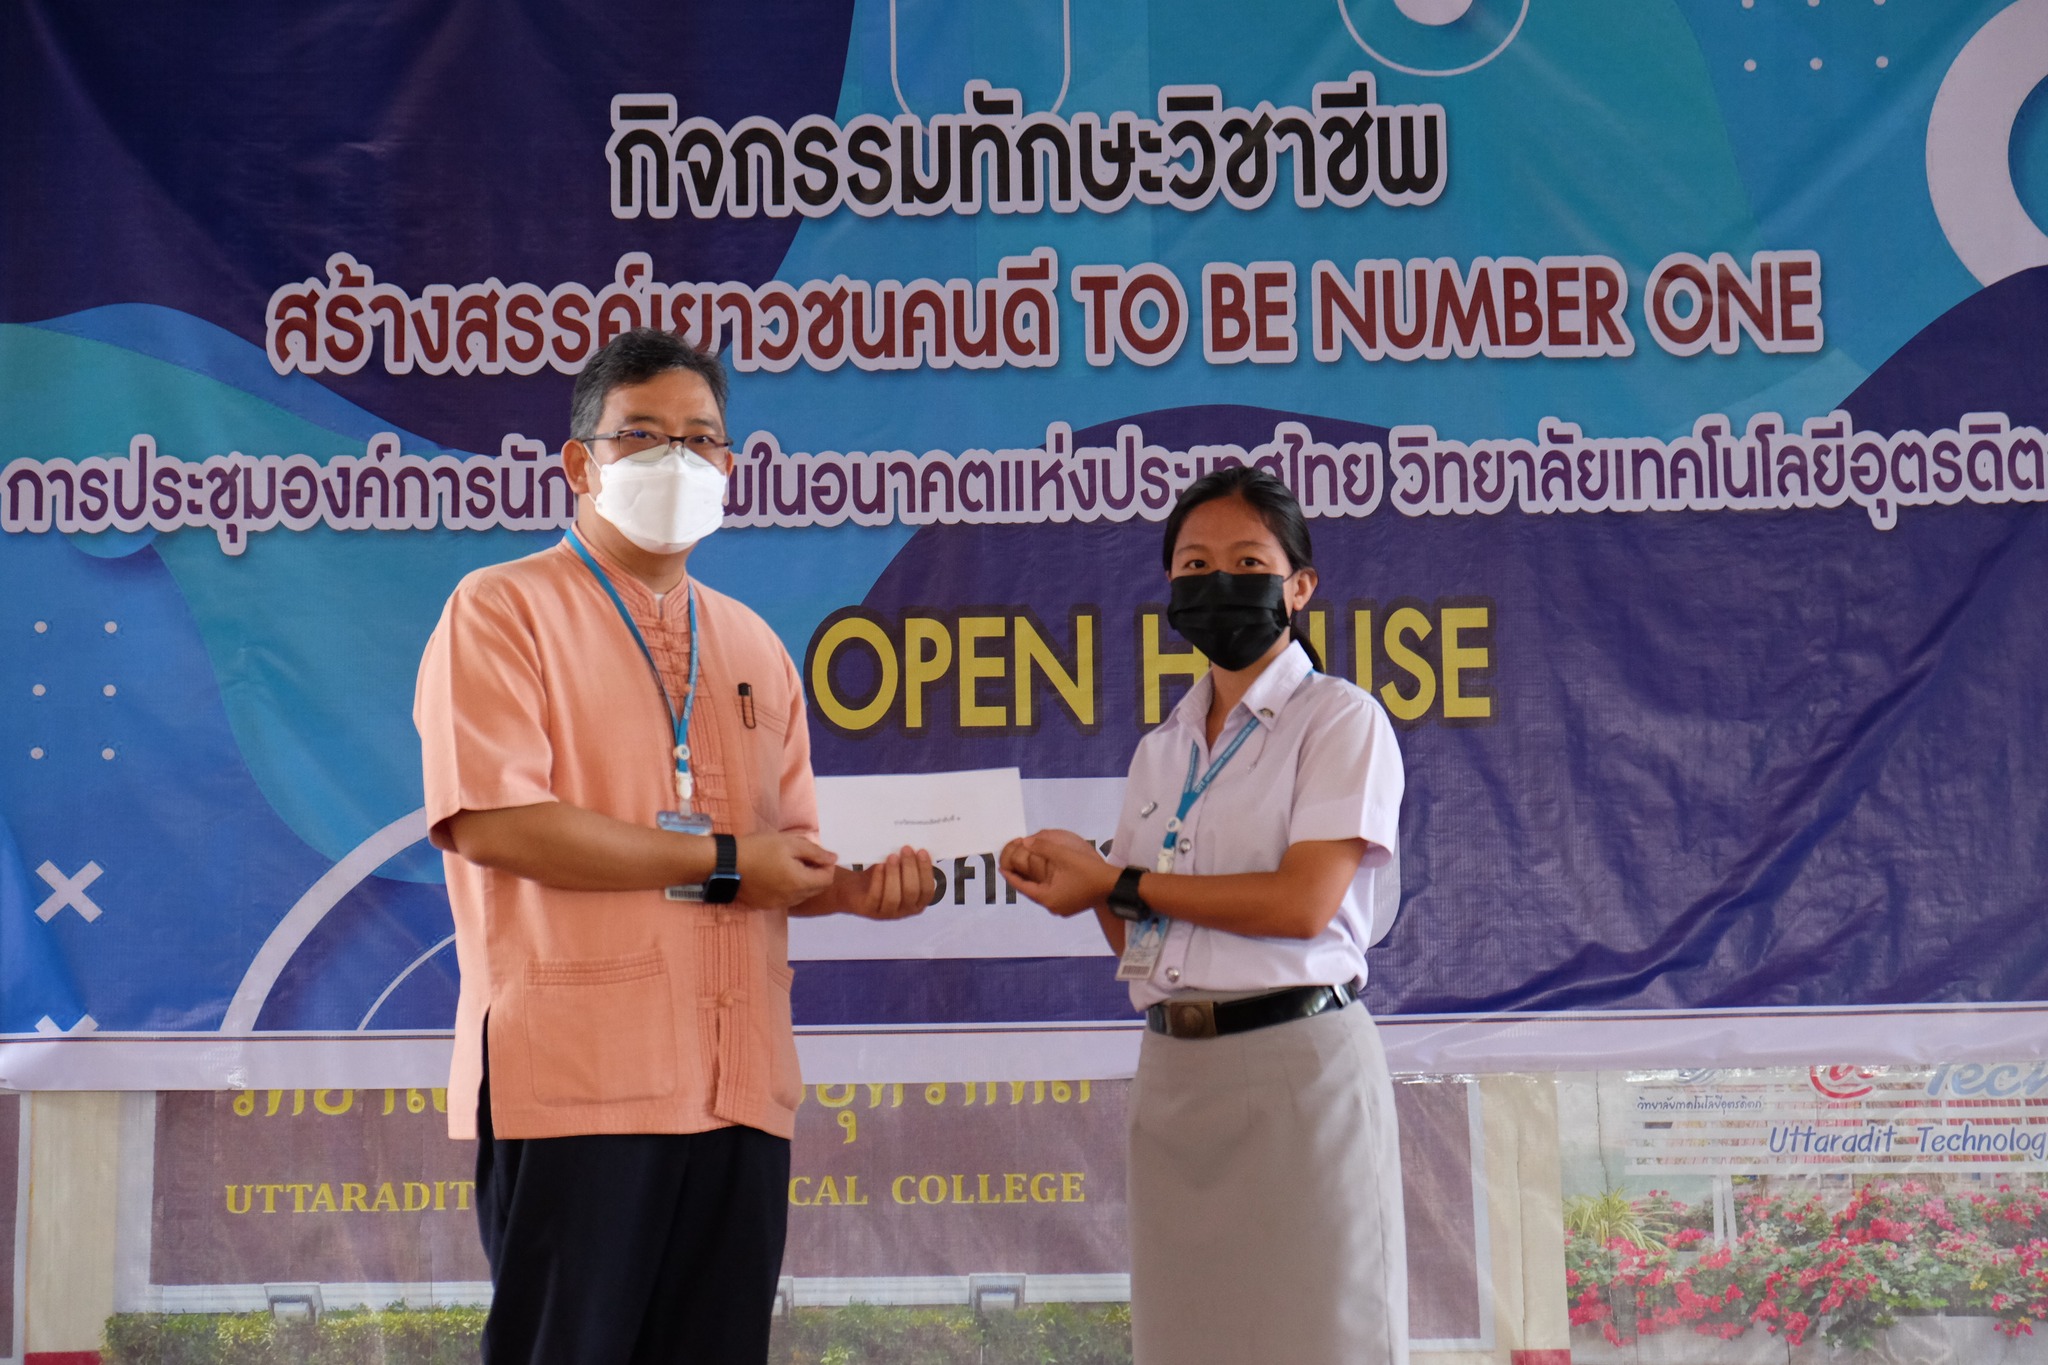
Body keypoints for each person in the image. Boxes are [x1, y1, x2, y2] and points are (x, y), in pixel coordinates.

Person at [414, 327, 934, 1365]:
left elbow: (783, 854)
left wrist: (856, 891)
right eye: (643, 437)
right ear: (580, 463)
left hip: (738, 1084)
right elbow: (494, 821)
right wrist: (728, 861)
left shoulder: (750, 643)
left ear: (731, 468)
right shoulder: (503, 607)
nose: (678, 461)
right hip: (576, 1081)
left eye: (702, 440)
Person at [999, 465, 1408, 1365]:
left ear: (1299, 586)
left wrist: (1121, 880)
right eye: (1192, 563)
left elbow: (1303, 905)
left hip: (1299, 1068)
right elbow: (1145, 940)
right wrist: (1085, 882)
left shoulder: (1340, 720)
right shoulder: (1162, 748)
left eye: (1246, 559)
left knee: (1323, 1338)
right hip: (1176, 1076)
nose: (1216, 581)